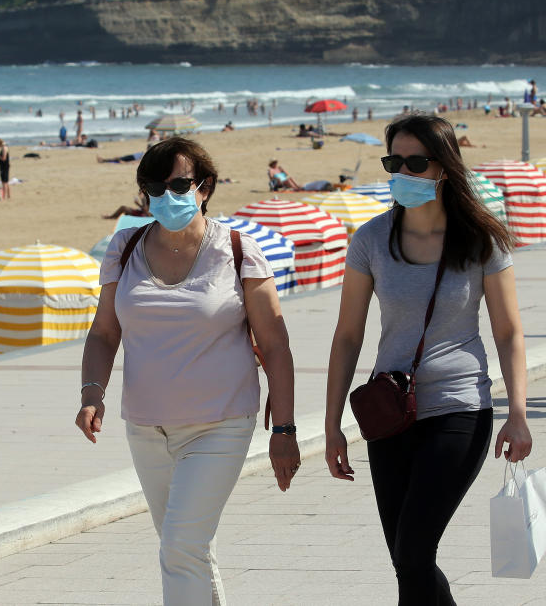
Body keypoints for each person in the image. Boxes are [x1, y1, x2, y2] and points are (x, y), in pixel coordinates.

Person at [76, 137, 299, 604]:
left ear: (205, 186)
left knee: (181, 547)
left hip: (219, 424)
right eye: (153, 187)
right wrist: (91, 392)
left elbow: (275, 345)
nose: (166, 196)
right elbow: (102, 334)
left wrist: (285, 429)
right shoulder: (125, 245)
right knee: (186, 550)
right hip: (146, 428)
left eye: (179, 184)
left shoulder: (237, 249)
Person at [324, 113, 532, 605]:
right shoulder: (371, 239)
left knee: (414, 550)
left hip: (459, 409)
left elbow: (508, 331)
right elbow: (347, 335)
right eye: (394, 161)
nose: (403, 173)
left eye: (416, 162)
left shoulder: (480, 239)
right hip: (388, 414)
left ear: (444, 168)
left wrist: (518, 415)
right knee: (405, 561)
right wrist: (332, 425)